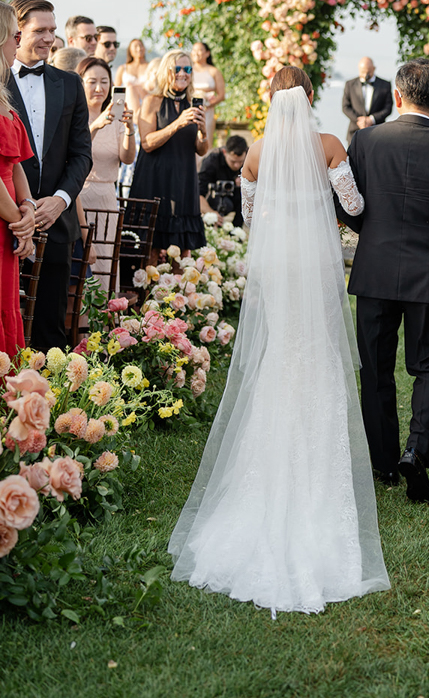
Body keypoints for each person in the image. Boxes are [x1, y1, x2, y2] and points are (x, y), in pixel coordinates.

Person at [169, 67, 390, 613]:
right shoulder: (329, 144)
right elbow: (356, 207)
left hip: (273, 260)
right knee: (315, 343)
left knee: (280, 346)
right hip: (315, 257)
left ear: (270, 100)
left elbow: (249, 217)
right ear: (311, 97)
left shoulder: (256, 153)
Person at [341, 58, 429, 503]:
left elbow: (351, 208)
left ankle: (383, 463)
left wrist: (374, 235)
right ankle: (416, 451)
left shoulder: (364, 140)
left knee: (376, 369)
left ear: (396, 96)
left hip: (375, 272)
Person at [8, 0, 93, 351]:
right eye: (39, 30)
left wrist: (60, 201)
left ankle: (51, 401)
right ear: (16, 32)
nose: (49, 39)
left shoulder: (70, 84)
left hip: (57, 224)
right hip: (7, 220)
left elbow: (82, 155)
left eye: (53, 31)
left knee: (50, 329)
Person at [128, 49, 207, 259]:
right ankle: (149, 291)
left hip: (184, 179)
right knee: (152, 246)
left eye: (187, 69)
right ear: (166, 71)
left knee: (182, 249)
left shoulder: (193, 103)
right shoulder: (152, 101)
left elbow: (201, 149)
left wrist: (203, 132)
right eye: (177, 68)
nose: (183, 73)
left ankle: (179, 290)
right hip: (156, 179)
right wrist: (177, 123)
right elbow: (147, 143)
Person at [76, 55, 136, 292]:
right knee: (82, 269)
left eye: (104, 81)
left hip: (107, 199)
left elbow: (128, 158)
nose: (99, 88)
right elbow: (75, 154)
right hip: (80, 198)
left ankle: (104, 324)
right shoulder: (74, 116)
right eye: (92, 81)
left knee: (105, 268)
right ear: (80, 83)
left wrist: (129, 129)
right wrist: (96, 125)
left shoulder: (117, 118)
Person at [0, 1, 36, 356]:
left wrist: (27, 207)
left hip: (9, 221)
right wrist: (20, 224)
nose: (18, 41)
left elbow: (16, 164)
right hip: (3, 224)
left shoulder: (4, 98)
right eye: (15, 34)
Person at [199, 135, 248, 227]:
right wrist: (211, 213)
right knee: (225, 204)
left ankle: (237, 233)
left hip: (241, 198)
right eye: (233, 162)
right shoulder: (212, 161)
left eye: (241, 162)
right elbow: (198, 193)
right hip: (216, 197)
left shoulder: (250, 157)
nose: (237, 166)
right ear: (225, 152)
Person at [341, 57, 393, 145]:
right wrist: (360, 120)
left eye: (368, 71)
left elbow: (388, 108)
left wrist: (372, 119)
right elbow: (345, 107)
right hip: (354, 132)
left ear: (374, 68)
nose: (365, 75)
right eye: (362, 72)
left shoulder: (385, 85)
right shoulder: (349, 84)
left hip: (378, 132)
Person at [190, 41, 226, 143]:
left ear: (207, 53)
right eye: (194, 50)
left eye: (200, 50)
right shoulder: (188, 70)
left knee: (204, 140)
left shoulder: (214, 71)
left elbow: (221, 95)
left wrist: (207, 104)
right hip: (190, 109)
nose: (196, 53)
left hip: (207, 111)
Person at [115, 38, 149, 114]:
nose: (139, 49)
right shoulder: (123, 68)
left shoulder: (151, 67)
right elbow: (116, 91)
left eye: (141, 46)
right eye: (136, 46)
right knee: (130, 89)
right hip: (128, 105)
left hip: (146, 102)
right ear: (130, 50)